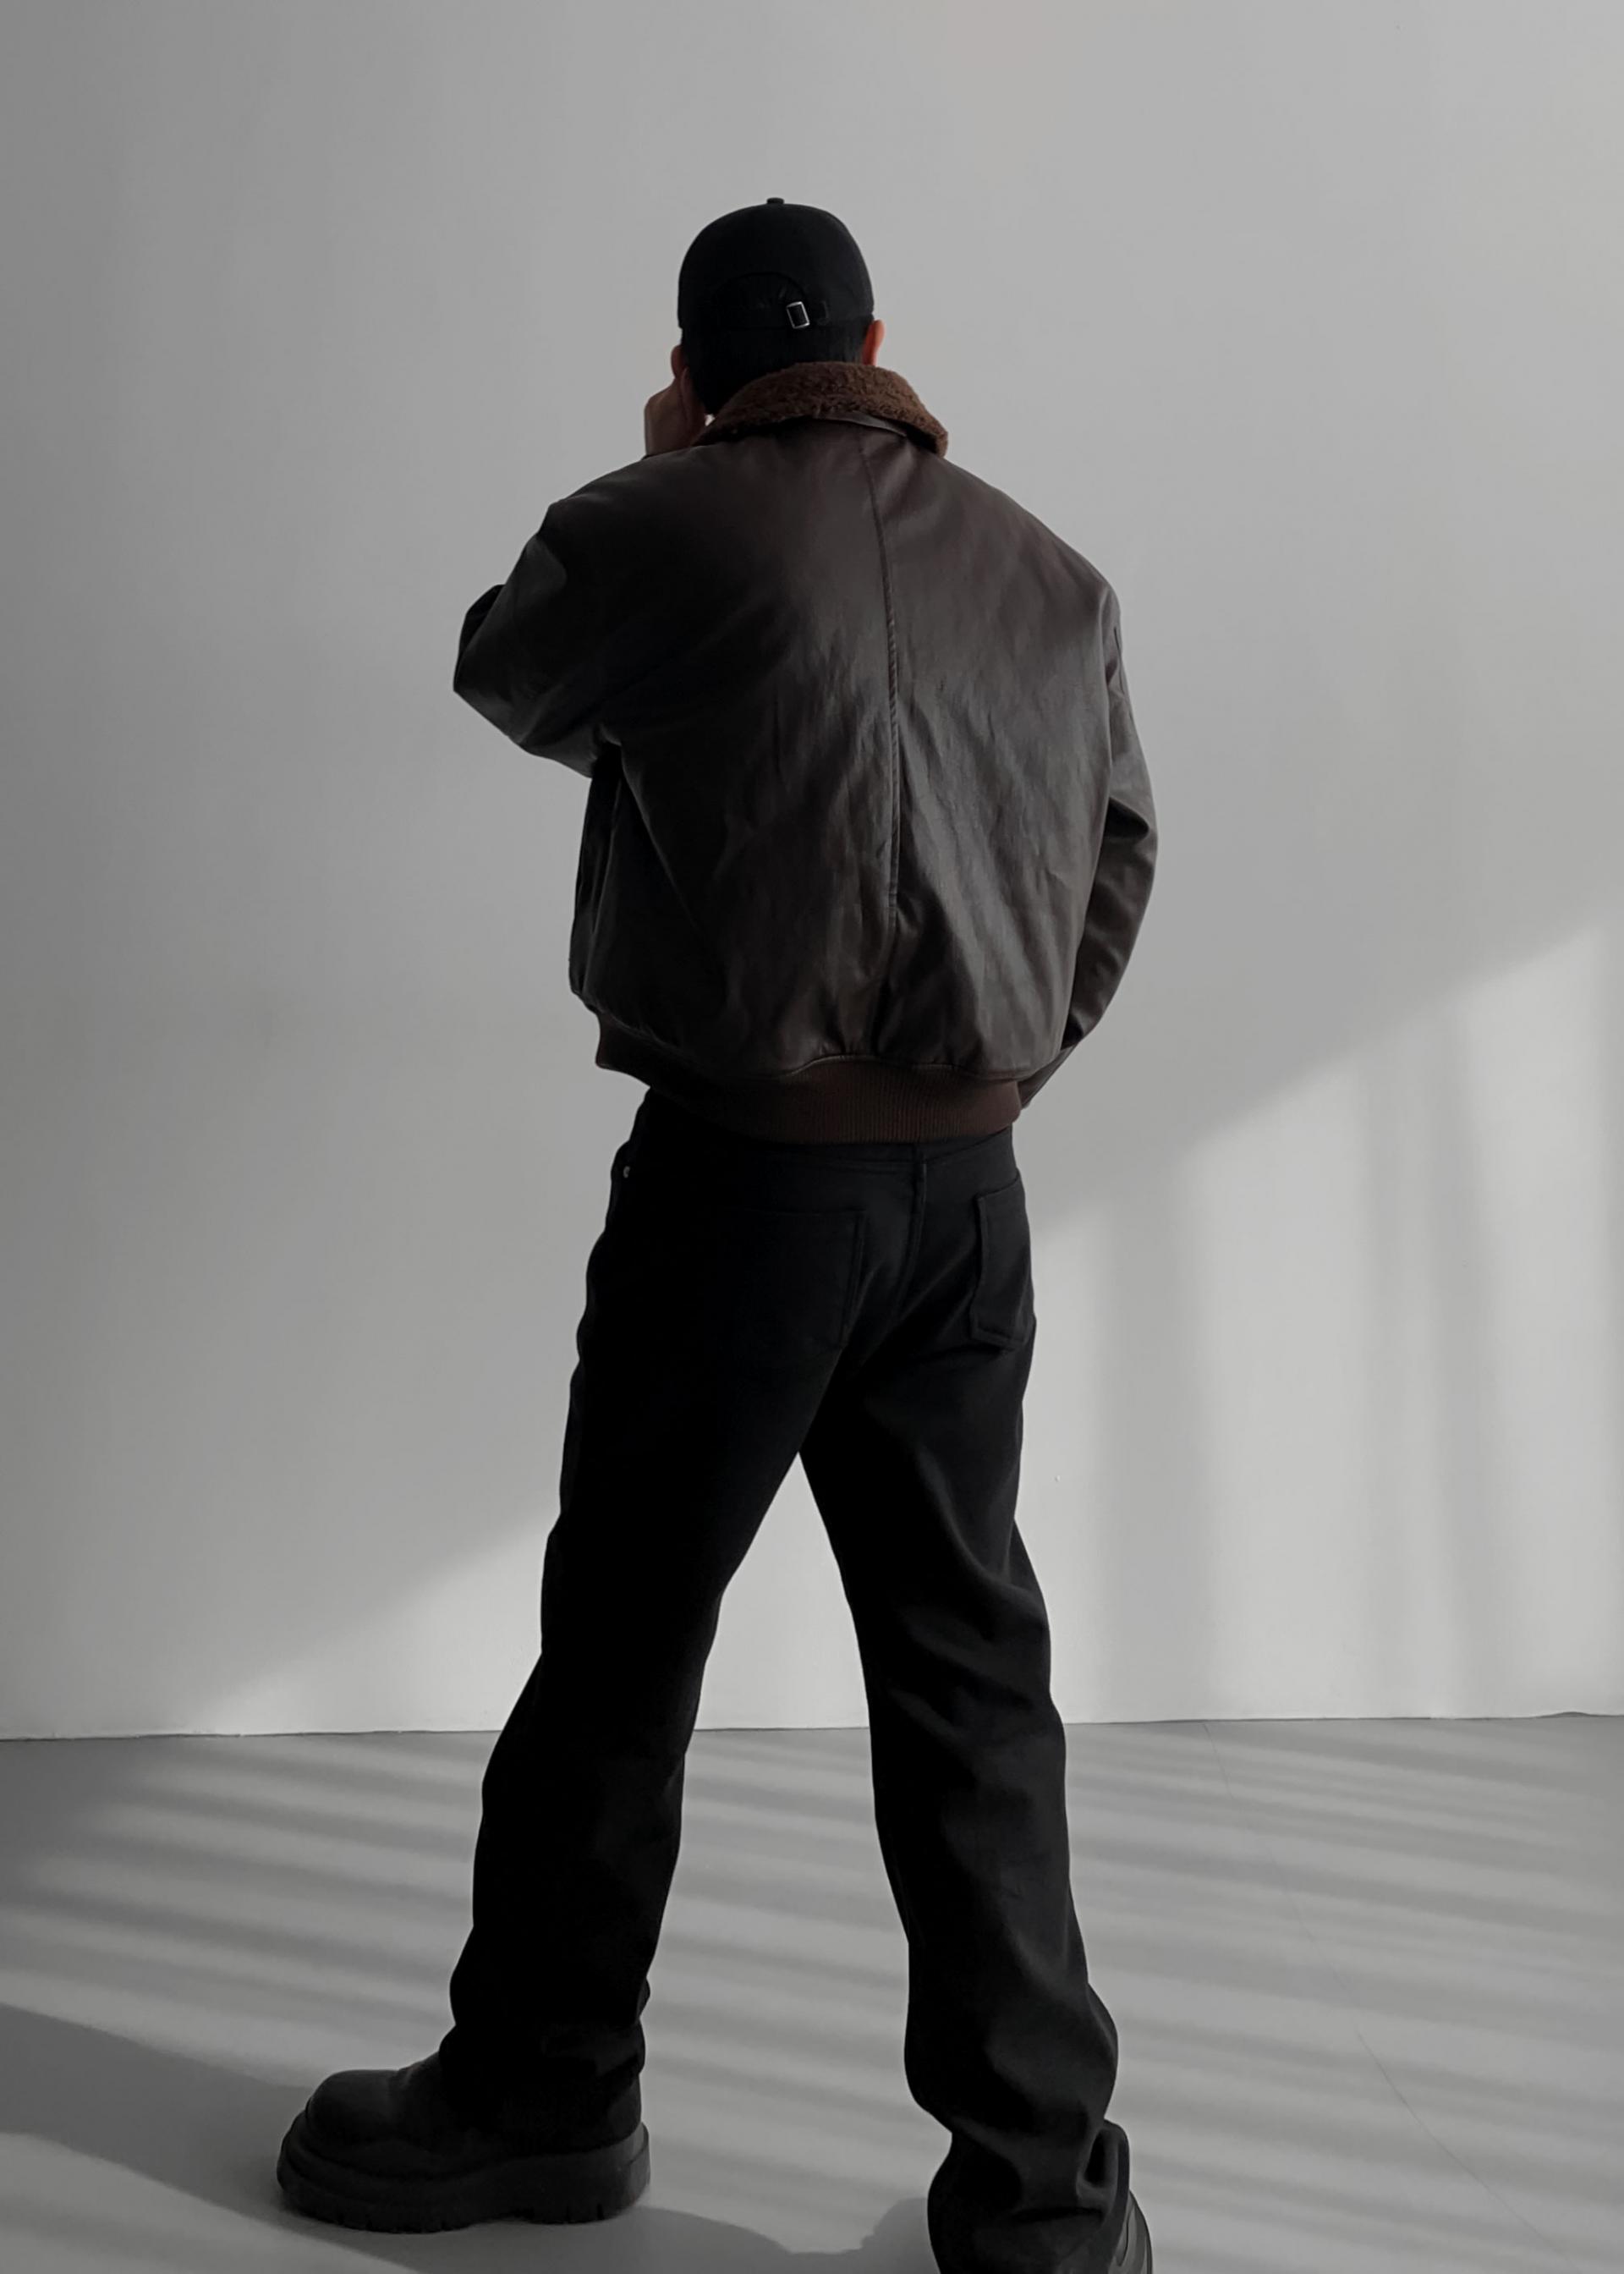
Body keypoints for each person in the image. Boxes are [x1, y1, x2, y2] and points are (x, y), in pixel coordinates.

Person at [275, 199, 1157, 2274]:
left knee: (623, 1649)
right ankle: (1042, 2208)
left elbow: (509, 668)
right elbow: (1120, 850)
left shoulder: (656, 526)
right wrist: (1000, 1064)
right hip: (969, 1198)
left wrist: (672, 471)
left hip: (747, 1188)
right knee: (972, 1685)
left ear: (695, 367)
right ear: (879, 342)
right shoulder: (1054, 574)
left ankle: (546, 2095)